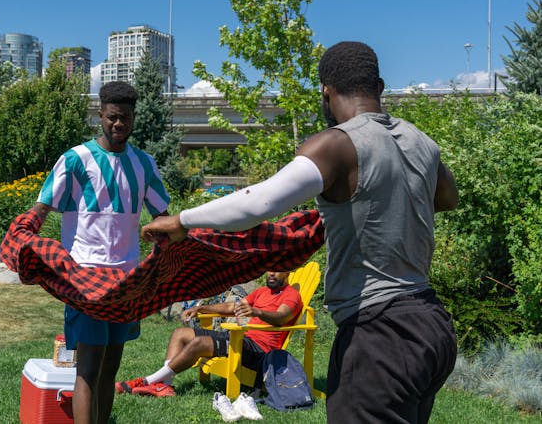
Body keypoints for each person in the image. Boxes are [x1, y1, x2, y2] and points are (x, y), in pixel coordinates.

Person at [141, 41, 459, 424]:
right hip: (432, 324)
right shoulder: (422, 142)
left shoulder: (338, 144)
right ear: (380, 86)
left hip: (381, 333)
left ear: (325, 92)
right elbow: (446, 198)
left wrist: (181, 221)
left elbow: (257, 203)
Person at [33, 81, 170, 424]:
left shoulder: (144, 164)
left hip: (127, 280)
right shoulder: (75, 160)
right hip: (86, 277)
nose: (118, 124)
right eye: (112, 117)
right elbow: (41, 209)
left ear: (134, 118)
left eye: (125, 118)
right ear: (100, 115)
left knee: (110, 367)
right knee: (88, 369)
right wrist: (24, 239)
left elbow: (164, 217)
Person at [116, 271, 302, 397]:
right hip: (242, 339)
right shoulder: (262, 292)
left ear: (288, 272)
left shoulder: (290, 295)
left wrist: (257, 312)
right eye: (270, 269)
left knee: (200, 344)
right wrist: (201, 308)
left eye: (278, 270)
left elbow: (281, 317)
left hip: (259, 352)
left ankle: (148, 380)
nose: (272, 273)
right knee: (180, 333)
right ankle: (165, 385)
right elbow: (232, 306)